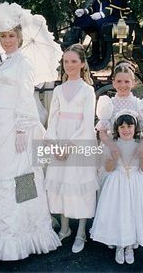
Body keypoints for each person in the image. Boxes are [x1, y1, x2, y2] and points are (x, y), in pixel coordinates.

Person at [0, 3, 61, 261]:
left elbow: (24, 98)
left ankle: (24, 231)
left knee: (20, 175)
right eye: (3, 36)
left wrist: (21, 128)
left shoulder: (23, 63)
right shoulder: (5, 62)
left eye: (11, 36)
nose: (7, 40)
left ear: (19, 37)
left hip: (15, 127)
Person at [44, 44, 99, 254]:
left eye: (74, 61)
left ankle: (81, 232)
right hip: (60, 141)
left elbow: (86, 123)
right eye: (66, 61)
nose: (69, 65)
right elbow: (53, 119)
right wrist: (55, 143)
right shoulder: (58, 89)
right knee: (61, 184)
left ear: (82, 64)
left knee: (79, 184)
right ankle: (65, 228)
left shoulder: (88, 91)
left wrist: (69, 145)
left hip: (79, 141)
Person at [90, 111, 143, 264]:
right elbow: (107, 169)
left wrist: (142, 158)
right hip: (116, 183)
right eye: (122, 127)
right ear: (116, 129)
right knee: (119, 213)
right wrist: (114, 159)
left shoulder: (140, 145)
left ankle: (129, 245)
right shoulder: (112, 146)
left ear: (136, 128)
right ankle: (120, 245)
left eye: (129, 126)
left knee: (133, 213)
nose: (126, 130)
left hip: (135, 183)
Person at [95, 61, 143, 209]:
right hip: (113, 148)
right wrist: (112, 147)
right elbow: (102, 132)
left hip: (135, 149)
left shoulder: (140, 104)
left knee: (135, 184)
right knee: (113, 183)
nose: (123, 85)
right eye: (119, 81)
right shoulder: (108, 104)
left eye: (126, 81)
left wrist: (141, 147)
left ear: (133, 82)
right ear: (113, 82)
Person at [74, 0, 131, 70]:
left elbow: (116, 5)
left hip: (115, 18)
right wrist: (84, 12)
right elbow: (93, 9)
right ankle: (95, 55)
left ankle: (103, 57)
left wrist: (101, 14)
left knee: (99, 23)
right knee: (81, 21)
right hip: (101, 19)